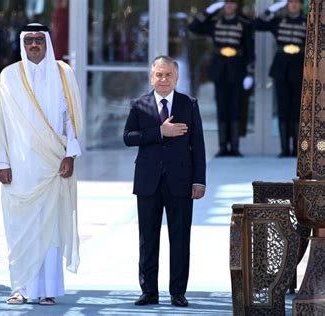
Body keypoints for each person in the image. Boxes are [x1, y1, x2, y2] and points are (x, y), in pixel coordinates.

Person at [0, 23, 83, 305]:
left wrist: (70, 155)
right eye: (29, 40)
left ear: (47, 42)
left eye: (39, 40)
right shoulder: (9, 76)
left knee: (51, 227)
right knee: (20, 228)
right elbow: (0, 123)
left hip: (54, 165)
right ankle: (19, 287)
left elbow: (72, 120)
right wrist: (1, 161)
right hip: (19, 167)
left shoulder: (64, 74)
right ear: (22, 42)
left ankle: (48, 290)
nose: (34, 45)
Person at [123, 56, 206, 307]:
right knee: (148, 238)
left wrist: (199, 181)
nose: (163, 79)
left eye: (168, 75)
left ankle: (177, 292)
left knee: (180, 239)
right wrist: (160, 132)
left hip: (180, 181)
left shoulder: (188, 104)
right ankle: (149, 291)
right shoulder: (139, 105)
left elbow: (198, 146)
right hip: (148, 181)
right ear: (151, 77)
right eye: (158, 74)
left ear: (176, 77)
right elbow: (128, 137)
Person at [189, 0, 254, 157]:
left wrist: (250, 72)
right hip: (219, 69)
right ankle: (223, 146)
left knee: (236, 108)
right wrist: (209, 10)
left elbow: (250, 49)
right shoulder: (214, 22)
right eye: (226, 3)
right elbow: (194, 27)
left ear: (237, 6)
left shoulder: (243, 23)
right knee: (222, 109)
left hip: (237, 68)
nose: (229, 6)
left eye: (232, 3)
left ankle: (235, 146)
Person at [253, 0, 306, 157]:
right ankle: (284, 148)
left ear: (301, 5)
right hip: (281, 67)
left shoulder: (306, 21)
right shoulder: (278, 20)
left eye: (297, 2)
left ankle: (297, 148)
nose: (294, 5)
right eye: (290, 2)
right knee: (283, 108)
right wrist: (273, 8)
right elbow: (257, 24)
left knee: (297, 109)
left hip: (299, 66)